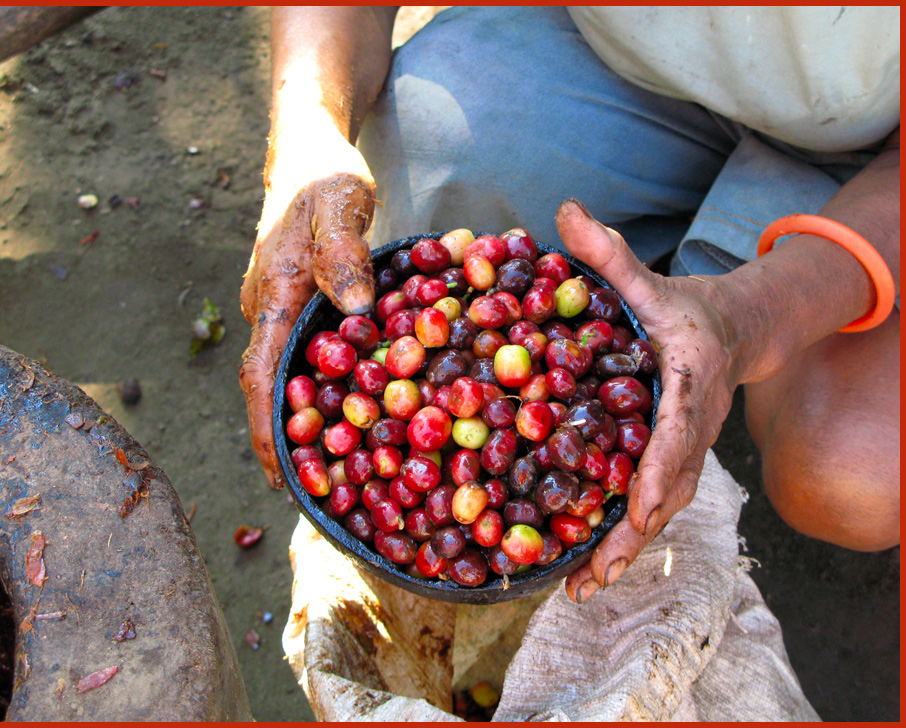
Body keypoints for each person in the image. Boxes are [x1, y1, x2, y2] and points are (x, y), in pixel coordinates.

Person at [239, 7, 900, 604]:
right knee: (425, 143)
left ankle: (694, 330)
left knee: (849, 469)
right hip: (622, 61)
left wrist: (745, 318)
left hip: (876, 159)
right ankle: (658, 319)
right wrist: (308, 133)